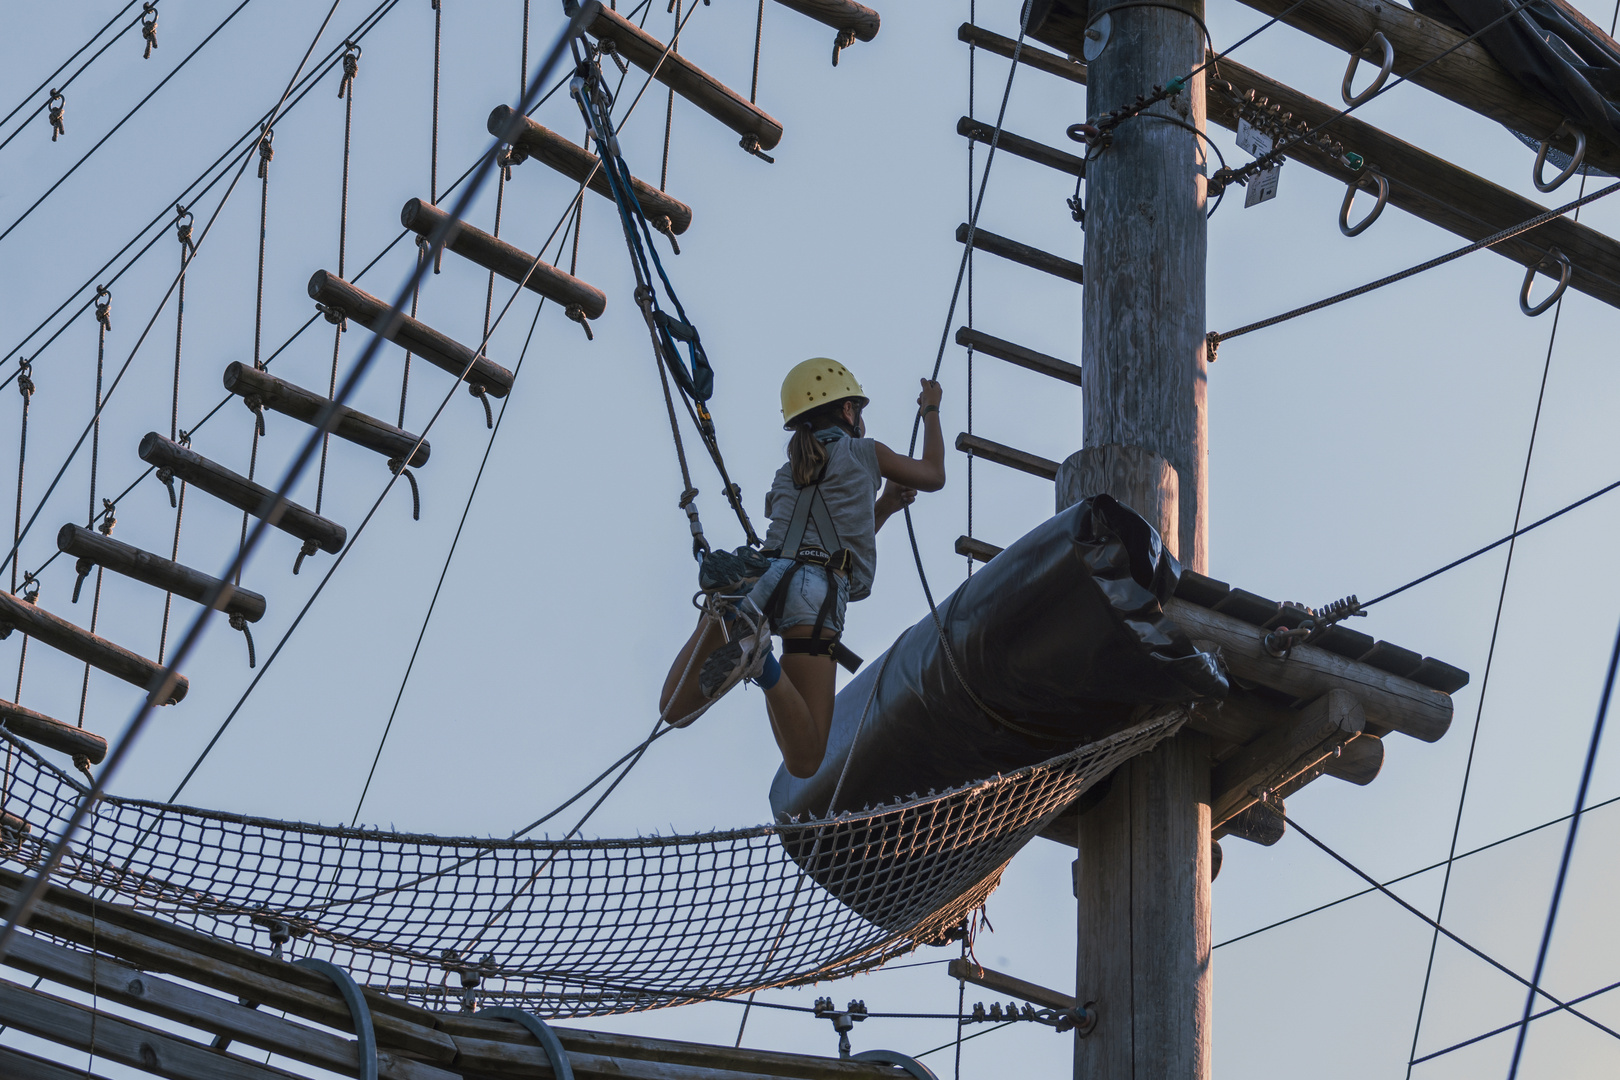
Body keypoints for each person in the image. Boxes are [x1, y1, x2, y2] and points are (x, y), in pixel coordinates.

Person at [659, 359, 946, 778]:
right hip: (814, 595)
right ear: (848, 411)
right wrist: (932, 410)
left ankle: (724, 606)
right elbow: (933, 475)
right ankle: (760, 662)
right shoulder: (865, 451)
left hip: (766, 577)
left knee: (673, 710)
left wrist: (883, 505)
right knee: (806, 759)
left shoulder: (786, 472)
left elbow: (825, 538)